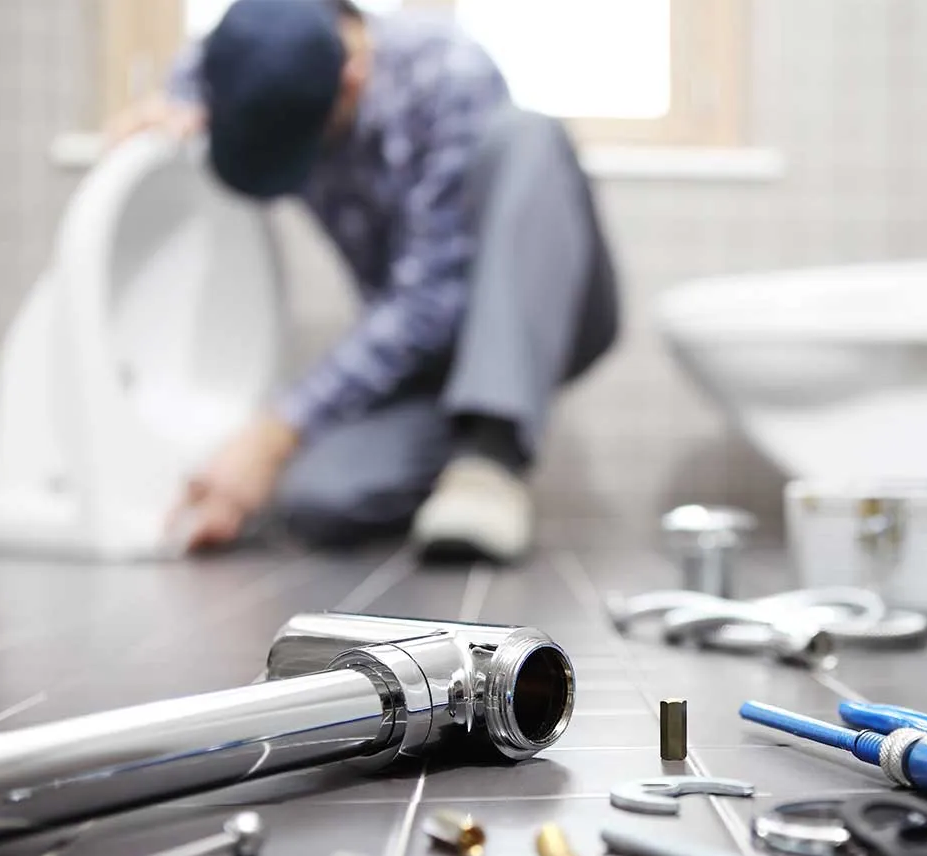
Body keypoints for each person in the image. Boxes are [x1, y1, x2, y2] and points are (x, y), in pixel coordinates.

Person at [110, 0, 619, 562]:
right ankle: (458, 461)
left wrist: (274, 432)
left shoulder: (446, 72)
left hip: (541, 303)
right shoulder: (249, 58)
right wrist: (173, 104)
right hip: (426, 362)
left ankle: (491, 457)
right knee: (317, 498)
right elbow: (202, 65)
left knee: (527, 136)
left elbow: (431, 299)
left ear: (351, 77)